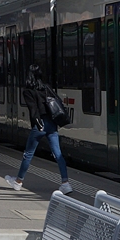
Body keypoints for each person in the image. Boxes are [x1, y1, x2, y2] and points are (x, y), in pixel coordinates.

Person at [6, 64, 73, 194]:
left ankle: (18, 182)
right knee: (57, 154)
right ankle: (65, 183)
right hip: (52, 124)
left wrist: (37, 123)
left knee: (28, 154)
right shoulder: (46, 88)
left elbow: (33, 110)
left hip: (40, 124)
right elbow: (57, 101)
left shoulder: (28, 91)